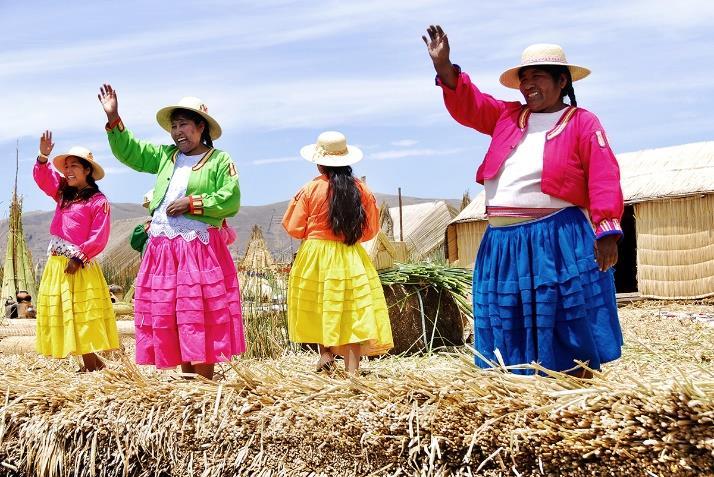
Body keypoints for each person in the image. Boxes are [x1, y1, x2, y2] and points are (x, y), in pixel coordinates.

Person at [423, 26, 624, 376]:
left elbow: (603, 175)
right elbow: (472, 105)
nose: (529, 84)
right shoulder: (508, 117)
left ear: (563, 81)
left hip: (555, 238)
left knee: (561, 315)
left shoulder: (581, 122)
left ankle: (573, 385)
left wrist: (606, 230)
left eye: (539, 76)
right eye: (524, 77)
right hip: (503, 242)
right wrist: (445, 67)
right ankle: (519, 384)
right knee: (508, 314)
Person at [99, 85, 245, 380]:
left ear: (201, 127)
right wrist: (114, 118)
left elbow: (231, 199)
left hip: (198, 249)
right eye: (174, 126)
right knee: (173, 311)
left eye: (185, 125)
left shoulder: (219, 161)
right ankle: (187, 377)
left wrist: (195, 203)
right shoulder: (167, 156)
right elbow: (133, 153)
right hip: (164, 248)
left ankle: (205, 377)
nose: (179, 132)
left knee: (199, 311)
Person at [283, 131, 393, 374]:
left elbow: (294, 227)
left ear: (319, 162)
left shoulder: (310, 189)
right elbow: (371, 228)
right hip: (349, 255)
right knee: (352, 310)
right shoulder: (362, 189)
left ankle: (325, 355)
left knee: (323, 303)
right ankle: (352, 371)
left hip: (316, 255)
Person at [33, 130, 119, 371]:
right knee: (67, 312)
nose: (68, 171)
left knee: (82, 314)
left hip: (79, 264)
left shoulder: (98, 201)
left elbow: (99, 236)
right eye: (66, 167)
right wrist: (42, 157)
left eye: (74, 167)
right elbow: (44, 180)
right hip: (57, 263)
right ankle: (91, 365)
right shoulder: (63, 193)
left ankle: (93, 365)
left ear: (87, 170)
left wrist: (79, 258)